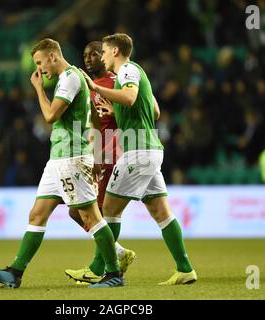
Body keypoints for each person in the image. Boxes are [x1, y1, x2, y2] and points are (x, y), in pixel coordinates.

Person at [0, 38, 123, 289]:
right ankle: (15, 272)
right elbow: (94, 117)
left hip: (71, 158)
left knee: (90, 216)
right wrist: (96, 150)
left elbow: (49, 116)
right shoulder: (71, 78)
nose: (39, 69)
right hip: (57, 159)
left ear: (53, 57)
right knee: (37, 214)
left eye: (40, 63)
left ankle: (113, 274)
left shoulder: (69, 79)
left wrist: (38, 89)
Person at [78, 33, 197, 285]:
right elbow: (154, 110)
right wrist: (117, 109)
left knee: (109, 210)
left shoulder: (127, 71)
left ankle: (104, 270)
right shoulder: (136, 72)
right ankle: (185, 268)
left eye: (105, 51)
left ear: (116, 51)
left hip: (137, 151)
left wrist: (97, 88)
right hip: (150, 150)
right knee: (161, 211)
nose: (102, 56)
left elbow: (131, 97)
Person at [65, 41, 136, 284]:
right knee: (77, 211)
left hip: (110, 155)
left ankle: (103, 268)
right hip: (92, 155)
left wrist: (115, 113)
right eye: (84, 55)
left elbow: (135, 110)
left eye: (94, 54)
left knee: (96, 211)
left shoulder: (116, 81)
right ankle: (116, 252)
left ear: (103, 56)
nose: (88, 58)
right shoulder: (84, 86)